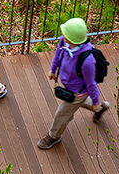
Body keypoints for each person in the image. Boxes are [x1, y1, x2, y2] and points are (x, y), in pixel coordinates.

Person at [37, 18, 110, 150]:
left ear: (73, 39)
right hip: (70, 86)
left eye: (65, 34)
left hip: (78, 92)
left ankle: (54, 136)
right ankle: (100, 108)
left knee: (62, 114)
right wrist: (53, 69)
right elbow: (58, 53)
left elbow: (91, 84)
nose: (62, 35)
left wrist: (95, 100)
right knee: (79, 103)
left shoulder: (87, 61)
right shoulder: (64, 41)